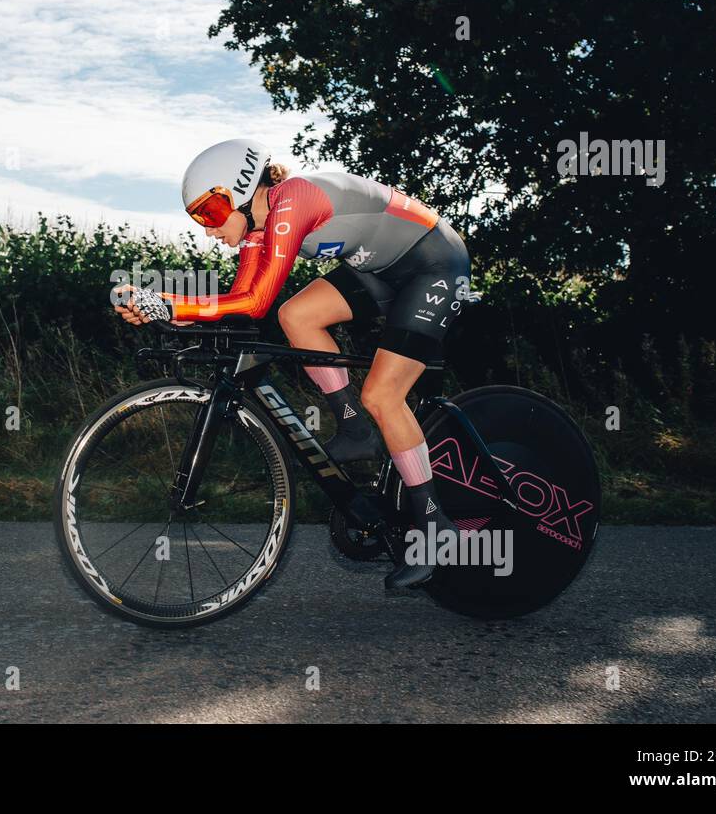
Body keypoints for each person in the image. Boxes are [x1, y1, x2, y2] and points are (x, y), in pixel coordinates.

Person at [115, 139, 471, 589]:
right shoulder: (258, 229)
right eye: (199, 219)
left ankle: (437, 528)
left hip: (433, 266)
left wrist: (169, 302)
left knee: (383, 395)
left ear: (240, 191)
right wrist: (166, 310)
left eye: (210, 212)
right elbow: (241, 305)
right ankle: (355, 430)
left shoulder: (294, 200)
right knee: (296, 315)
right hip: (379, 270)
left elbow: (255, 301)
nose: (208, 230)